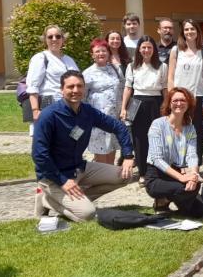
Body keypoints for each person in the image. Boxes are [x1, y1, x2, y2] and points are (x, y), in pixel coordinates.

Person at [32, 70, 134, 222]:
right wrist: (62, 181)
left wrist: (128, 156)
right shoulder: (49, 116)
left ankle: (76, 199)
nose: (75, 90)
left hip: (78, 168)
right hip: (53, 176)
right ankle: (47, 199)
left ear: (84, 88)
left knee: (125, 175)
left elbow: (119, 127)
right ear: (62, 90)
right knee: (86, 215)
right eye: (70, 87)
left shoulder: (87, 111)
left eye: (79, 86)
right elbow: (39, 155)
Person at [145, 87, 203, 217]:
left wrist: (193, 175)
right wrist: (182, 178)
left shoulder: (189, 128)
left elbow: (191, 155)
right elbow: (157, 159)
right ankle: (162, 200)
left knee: (200, 211)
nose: (179, 103)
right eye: (175, 100)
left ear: (188, 104)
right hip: (157, 176)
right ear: (169, 104)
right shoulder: (158, 125)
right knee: (184, 189)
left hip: (176, 172)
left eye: (183, 100)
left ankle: (173, 200)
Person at [120, 35, 167, 184]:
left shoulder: (162, 66)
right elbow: (128, 88)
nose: (146, 50)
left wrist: (166, 106)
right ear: (139, 49)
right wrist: (123, 108)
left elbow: (165, 89)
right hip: (136, 102)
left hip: (155, 101)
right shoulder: (132, 66)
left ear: (154, 49)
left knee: (157, 137)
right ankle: (142, 172)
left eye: (149, 47)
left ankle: (157, 170)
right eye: (144, 47)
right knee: (138, 138)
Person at [167, 19, 203, 162]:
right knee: (178, 129)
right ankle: (178, 161)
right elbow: (170, 76)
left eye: (192, 29)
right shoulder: (176, 50)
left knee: (196, 131)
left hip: (197, 97)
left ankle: (194, 163)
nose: (189, 32)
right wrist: (171, 96)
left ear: (198, 32)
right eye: (186, 29)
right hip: (179, 97)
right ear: (183, 32)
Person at [26, 25, 79, 135]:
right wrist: (35, 110)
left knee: (72, 140)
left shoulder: (69, 60)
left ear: (63, 39)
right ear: (45, 40)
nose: (54, 39)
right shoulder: (40, 58)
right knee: (49, 143)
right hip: (49, 105)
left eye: (58, 36)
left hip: (71, 106)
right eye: (50, 37)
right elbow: (32, 87)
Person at [83, 39, 124, 165]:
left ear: (108, 53)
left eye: (104, 51)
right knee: (100, 147)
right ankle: (101, 176)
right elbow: (83, 97)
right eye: (97, 51)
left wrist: (122, 109)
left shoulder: (116, 69)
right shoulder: (87, 73)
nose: (101, 53)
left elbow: (122, 88)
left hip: (114, 117)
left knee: (111, 145)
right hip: (97, 118)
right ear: (92, 55)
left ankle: (110, 173)